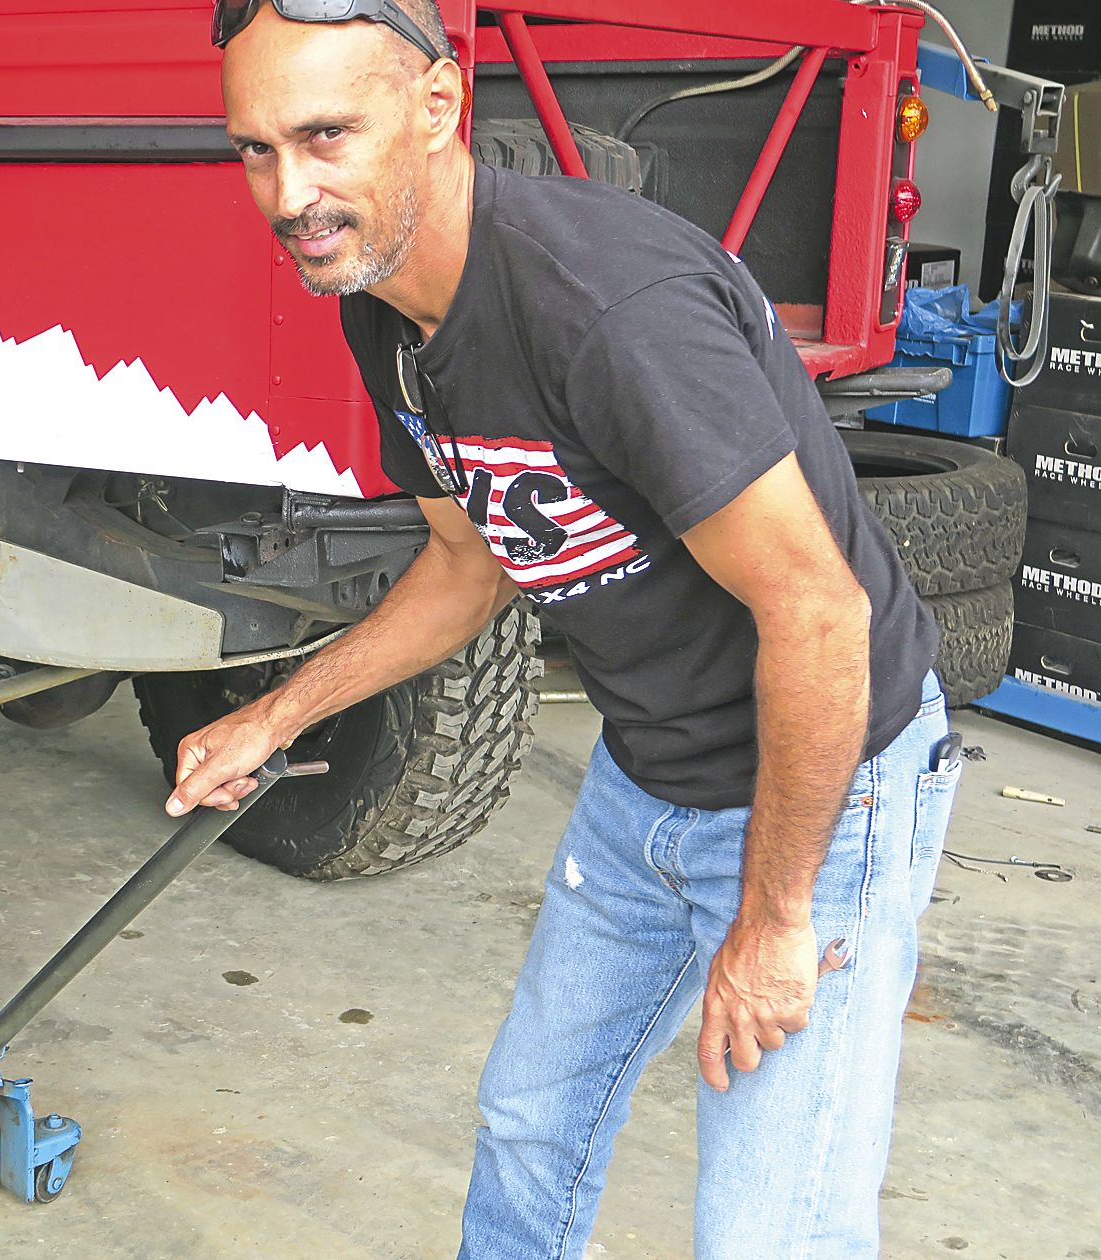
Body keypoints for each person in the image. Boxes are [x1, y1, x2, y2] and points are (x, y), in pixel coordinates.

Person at [172, 2, 963, 1256]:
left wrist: (772, 920)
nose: (289, 192)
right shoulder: (384, 301)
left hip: (824, 791)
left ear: (438, 105)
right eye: (255, 149)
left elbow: (819, 611)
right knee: (534, 1121)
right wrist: (270, 721)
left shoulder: (608, 308)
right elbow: (465, 565)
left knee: (774, 1232)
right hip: (645, 780)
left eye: (325, 134)